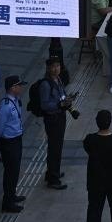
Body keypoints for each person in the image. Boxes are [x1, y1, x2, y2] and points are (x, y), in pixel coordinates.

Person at [0, 76, 27, 213]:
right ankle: (7, 202)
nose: (21, 87)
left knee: (15, 170)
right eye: (19, 85)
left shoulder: (15, 100)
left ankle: (12, 195)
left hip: (16, 139)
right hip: (9, 142)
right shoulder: (5, 106)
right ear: (13, 88)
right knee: (10, 172)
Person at [39, 58, 73, 189]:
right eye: (53, 66)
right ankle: (53, 179)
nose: (56, 69)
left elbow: (61, 94)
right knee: (54, 148)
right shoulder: (46, 84)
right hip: (52, 119)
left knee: (57, 147)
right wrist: (59, 104)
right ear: (48, 68)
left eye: (58, 66)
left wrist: (67, 100)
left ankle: (53, 172)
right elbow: (44, 105)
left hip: (60, 116)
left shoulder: (58, 79)